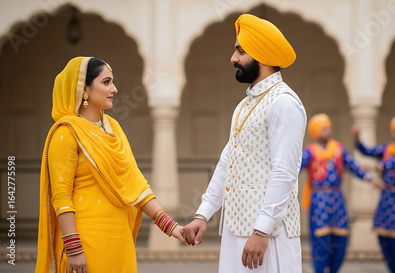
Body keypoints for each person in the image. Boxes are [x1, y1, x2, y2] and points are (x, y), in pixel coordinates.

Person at [36, 57, 186, 273]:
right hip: (86, 243)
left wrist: (172, 228)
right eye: (106, 82)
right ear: (84, 88)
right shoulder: (66, 133)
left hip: (119, 241)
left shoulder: (113, 128)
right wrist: (74, 249)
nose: (114, 89)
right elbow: (61, 196)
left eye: (112, 82)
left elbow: (136, 185)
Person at [183, 14, 306, 272]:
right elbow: (227, 163)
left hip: (268, 238)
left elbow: (285, 172)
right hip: (237, 231)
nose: (233, 58)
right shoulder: (246, 105)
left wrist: (262, 230)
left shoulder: (283, 102)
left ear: (261, 54)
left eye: (240, 50)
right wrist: (203, 214)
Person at [300, 113, 383, 273]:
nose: (328, 131)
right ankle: (319, 270)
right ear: (316, 131)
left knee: (340, 238)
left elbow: (353, 167)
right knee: (320, 238)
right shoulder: (309, 152)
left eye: (329, 128)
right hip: (319, 199)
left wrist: (370, 178)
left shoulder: (339, 149)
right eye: (324, 128)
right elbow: (294, 170)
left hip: (337, 198)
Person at [352, 115, 395, 273]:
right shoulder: (388, 149)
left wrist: (377, 167)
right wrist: (357, 140)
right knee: (385, 237)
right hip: (387, 198)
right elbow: (367, 151)